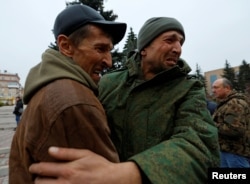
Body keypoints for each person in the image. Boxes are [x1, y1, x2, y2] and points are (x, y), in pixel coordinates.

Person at [29, 17, 220, 183]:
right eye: (169, 40)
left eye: (180, 42)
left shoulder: (188, 89)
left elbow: (200, 145)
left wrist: (130, 174)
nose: (177, 49)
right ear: (144, 48)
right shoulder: (110, 82)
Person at [9, 4, 126, 183]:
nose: (109, 62)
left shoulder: (48, 88)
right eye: (100, 49)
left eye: (109, 50)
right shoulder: (76, 101)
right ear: (66, 46)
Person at [212, 78, 250, 168]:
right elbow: (229, 125)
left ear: (227, 88)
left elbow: (233, 129)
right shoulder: (226, 104)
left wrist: (211, 125)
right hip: (228, 151)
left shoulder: (234, 104)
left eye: (216, 88)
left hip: (235, 153)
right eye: (213, 88)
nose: (213, 91)